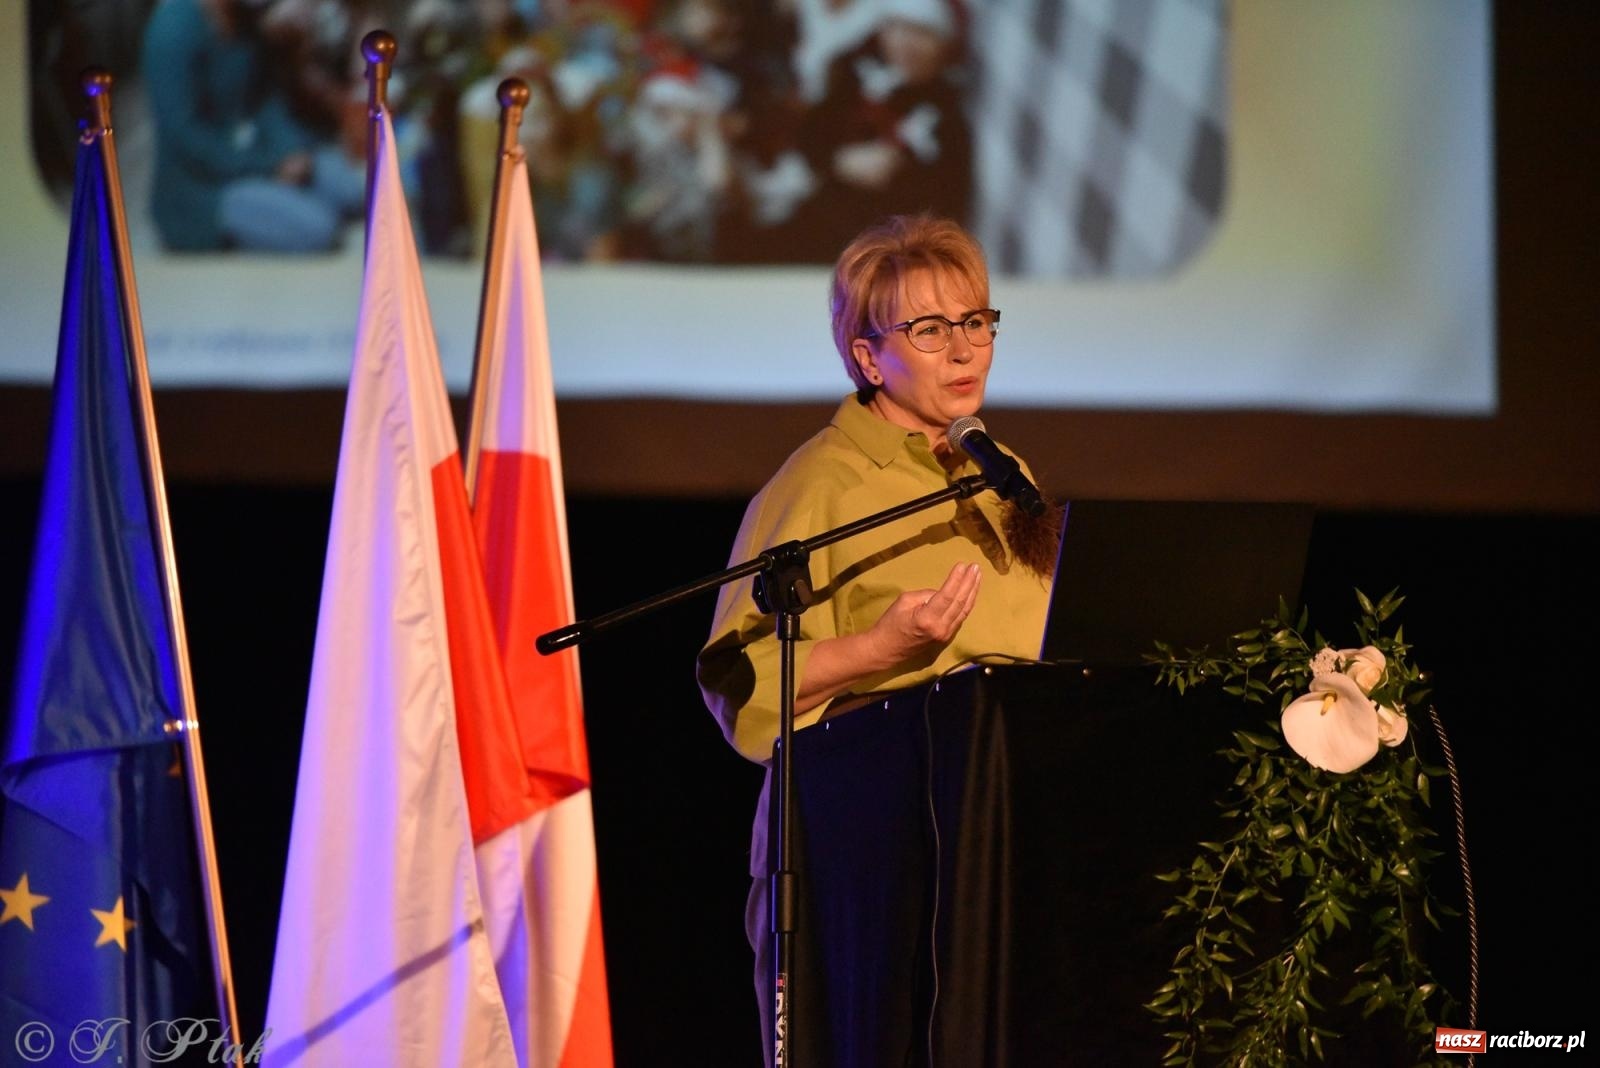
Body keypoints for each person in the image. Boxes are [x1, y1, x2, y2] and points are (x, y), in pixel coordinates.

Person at [695, 213, 1060, 1059]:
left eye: (975, 323)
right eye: (930, 331)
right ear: (868, 356)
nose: (965, 351)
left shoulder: (1006, 475)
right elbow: (740, 688)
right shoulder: (821, 482)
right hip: (859, 852)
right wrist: (879, 650)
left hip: (996, 844)